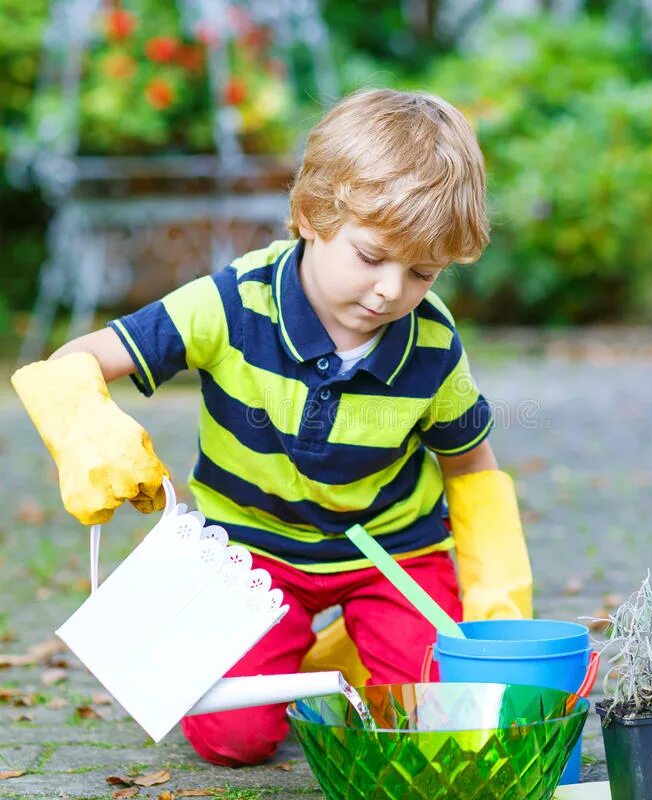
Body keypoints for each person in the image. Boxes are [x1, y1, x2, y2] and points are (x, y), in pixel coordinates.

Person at [12, 88, 533, 766]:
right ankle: (313, 658)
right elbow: (74, 361)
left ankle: (363, 648)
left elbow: (471, 468)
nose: (389, 292)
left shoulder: (430, 341)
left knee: (435, 725)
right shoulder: (229, 304)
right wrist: (86, 427)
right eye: (373, 257)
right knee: (232, 739)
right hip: (254, 554)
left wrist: (497, 605)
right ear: (310, 216)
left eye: (422, 272)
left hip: (390, 558)